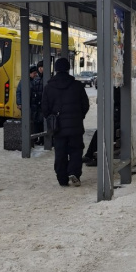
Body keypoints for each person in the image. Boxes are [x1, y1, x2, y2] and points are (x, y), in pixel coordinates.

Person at [42, 57, 89, 187]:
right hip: (75, 126)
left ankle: (62, 179)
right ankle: (74, 172)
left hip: (58, 127)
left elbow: (44, 108)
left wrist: (51, 118)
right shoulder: (77, 86)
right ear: (68, 69)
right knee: (76, 150)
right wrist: (79, 116)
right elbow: (85, 104)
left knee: (60, 152)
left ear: (56, 69)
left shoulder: (48, 87)